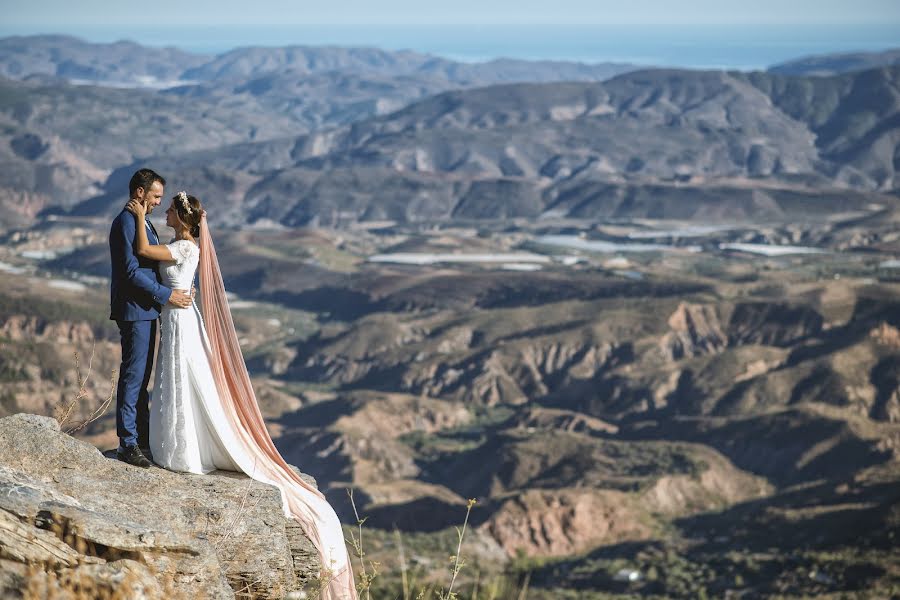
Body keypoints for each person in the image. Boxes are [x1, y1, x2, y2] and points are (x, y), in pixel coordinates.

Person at [125, 191, 357, 599]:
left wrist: (138, 213)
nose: (167, 212)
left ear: (183, 217)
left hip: (178, 318)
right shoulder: (188, 243)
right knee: (181, 380)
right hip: (180, 315)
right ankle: (185, 441)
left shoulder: (182, 245)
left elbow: (142, 249)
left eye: (171, 209)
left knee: (181, 379)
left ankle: (186, 447)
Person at [109, 168, 192, 468]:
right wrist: (167, 295)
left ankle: (141, 439)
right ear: (140, 192)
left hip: (146, 309)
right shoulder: (126, 222)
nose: (158, 202)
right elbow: (132, 272)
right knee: (133, 375)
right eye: (155, 196)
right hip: (135, 309)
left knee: (141, 377)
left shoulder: (141, 222)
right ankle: (127, 443)